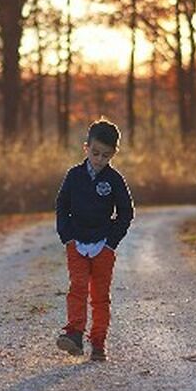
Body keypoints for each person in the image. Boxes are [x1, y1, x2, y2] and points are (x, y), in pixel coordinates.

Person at [54, 119, 134, 362]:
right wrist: (67, 236)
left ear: (113, 154)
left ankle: (98, 342)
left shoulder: (114, 180)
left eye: (106, 156)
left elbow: (126, 212)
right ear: (86, 147)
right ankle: (75, 333)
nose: (99, 159)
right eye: (95, 153)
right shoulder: (74, 176)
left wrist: (111, 242)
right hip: (77, 243)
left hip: (103, 246)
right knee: (77, 288)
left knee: (100, 296)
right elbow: (61, 206)